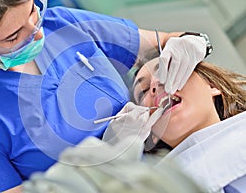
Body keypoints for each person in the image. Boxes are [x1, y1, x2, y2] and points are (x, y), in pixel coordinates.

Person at [0, 0, 209, 192]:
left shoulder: (63, 23)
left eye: (33, 11)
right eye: (14, 36)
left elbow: (163, 43)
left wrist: (191, 42)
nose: (38, 33)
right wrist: (98, 166)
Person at [105, 56, 246, 192]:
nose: (155, 83)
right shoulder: (151, 185)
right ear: (151, 134)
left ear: (212, 85)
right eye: (143, 91)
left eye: (167, 70)